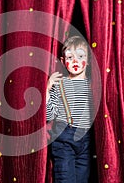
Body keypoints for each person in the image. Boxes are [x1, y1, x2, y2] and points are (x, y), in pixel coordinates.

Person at [46, 35, 93, 183]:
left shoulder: (92, 85)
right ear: (62, 61)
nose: (75, 61)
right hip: (64, 140)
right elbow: (49, 115)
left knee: (82, 179)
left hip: (85, 141)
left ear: (88, 60)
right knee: (65, 179)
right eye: (70, 57)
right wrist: (48, 88)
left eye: (80, 56)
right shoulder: (59, 84)